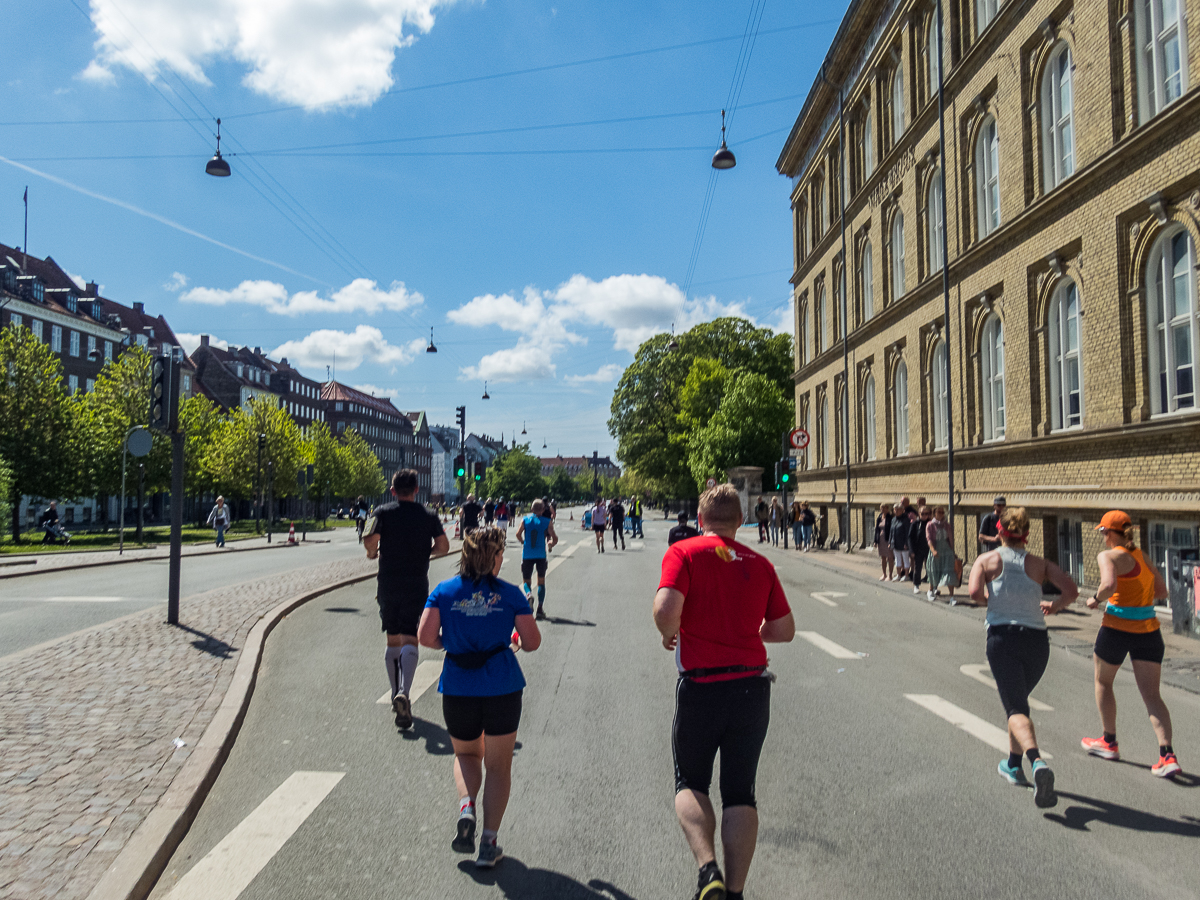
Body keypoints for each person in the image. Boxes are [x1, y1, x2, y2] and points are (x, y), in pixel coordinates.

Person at [654, 484, 795, 900]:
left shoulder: (685, 552)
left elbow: (665, 611)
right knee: (740, 791)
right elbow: (784, 630)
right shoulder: (761, 562)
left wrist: (673, 631)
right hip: (752, 685)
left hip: (702, 685)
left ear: (700, 520)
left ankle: (707, 869)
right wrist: (750, 632)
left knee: (691, 782)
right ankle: (734, 892)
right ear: (739, 521)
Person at [419, 526, 541, 868]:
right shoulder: (511, 594)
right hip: (502, 686)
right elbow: (532, 642)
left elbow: (426, 636)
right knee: (499, 766)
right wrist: (511, 640)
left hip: (459, 687)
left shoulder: (444, 591)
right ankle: (488, 843)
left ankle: (466, 807)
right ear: (497, 556)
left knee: (467, 755)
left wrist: (453, 644)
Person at [968, 506, 1078, 807]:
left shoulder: (987, 559)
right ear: (1027, 534)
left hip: (1003, 639)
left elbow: (975, 593)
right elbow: (1071, 590)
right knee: (1018, 702)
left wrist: (995, 599)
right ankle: (1013, 765)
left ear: (999, 532)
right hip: (1037, 642)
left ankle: (1037, 762)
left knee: (1015, 706)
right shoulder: (1040, 563)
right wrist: (1053, 607)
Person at [1081, 511, 1182, 777]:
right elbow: (1161, 591)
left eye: (1103, 532)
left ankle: (1109, 741)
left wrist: (1095, 599)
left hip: (1115, 629)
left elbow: (1108, 584)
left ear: (1109, 533)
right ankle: (1167, 755)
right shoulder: (1142, 556)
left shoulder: (1109, 556)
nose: (1102, 537)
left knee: (1103, 682)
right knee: (1152, 696)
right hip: (1148, 631)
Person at [363, 470, 451, 729]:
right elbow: (444, 546)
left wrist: (373, 552)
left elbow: (369, 539)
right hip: (416, 583)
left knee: (392, 637)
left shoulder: (381, 512)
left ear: (392, 491)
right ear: (416, 489)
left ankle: (394, 693)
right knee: (411, 637)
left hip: (388, 583)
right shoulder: (429, 515)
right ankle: (405, 691)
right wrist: (426, 552)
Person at [515, 499, 558, 619]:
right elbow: (554, 538)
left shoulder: (525, 520)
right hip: (541, 555)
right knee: (541, 582)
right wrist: (550, 543)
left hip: (527, 554)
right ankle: (540, 608)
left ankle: (528, 595)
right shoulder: (547, 521)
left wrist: (523, 542)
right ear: (543, 510)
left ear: (531, 509)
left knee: (526, 581)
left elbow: (518, 534)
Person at [926, 506, 957, 603]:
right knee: (934, 572)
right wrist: (933, 550)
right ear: (934, 513)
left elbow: (950, 539)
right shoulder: (930, 525)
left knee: (949, 573)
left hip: (947, 551)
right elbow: (929, 539)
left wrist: (953, 551)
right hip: (936, 551)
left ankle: (952, 597)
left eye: (942, 512)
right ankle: (930, 591)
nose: (941, 514)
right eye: (939, 512)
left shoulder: (947, 525)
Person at [908, 506, 931, 595]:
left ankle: (932, 587)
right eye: (922, 514)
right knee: (918, 568)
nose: (924, 516)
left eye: (926, 514)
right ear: (919, 514)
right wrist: (911, 550)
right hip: (918, 549)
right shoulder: (915, 524)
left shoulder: (930, 523)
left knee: (930, 568)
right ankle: (916, 585)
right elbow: (910, 537)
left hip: (929, 549)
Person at [889, 503, 910, 581]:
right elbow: (891, 531)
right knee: (897, 559)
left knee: (905, 559)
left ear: (902, 510)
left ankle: (906, 575)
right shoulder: (893, 519)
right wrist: (890, 542)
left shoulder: (906, 520)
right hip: (895, 542)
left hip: (903, 543)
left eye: (898, 509)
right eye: (895, 509)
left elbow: (907, 532)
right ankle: (898, 575)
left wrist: (906, 543)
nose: (896, 511)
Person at [873, 503, 894, 580]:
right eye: (881, 508)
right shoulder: (879, 517)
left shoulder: (890, 518)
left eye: (884, 508)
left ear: (887, 509)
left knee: (890, 558)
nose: (882, 510)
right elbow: (877, 530)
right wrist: (875, 541)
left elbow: (892, 530)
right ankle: (884, 574)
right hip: (881, 540)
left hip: (887, 540)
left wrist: (891, 541)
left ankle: (890, 575)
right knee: (883, 557)